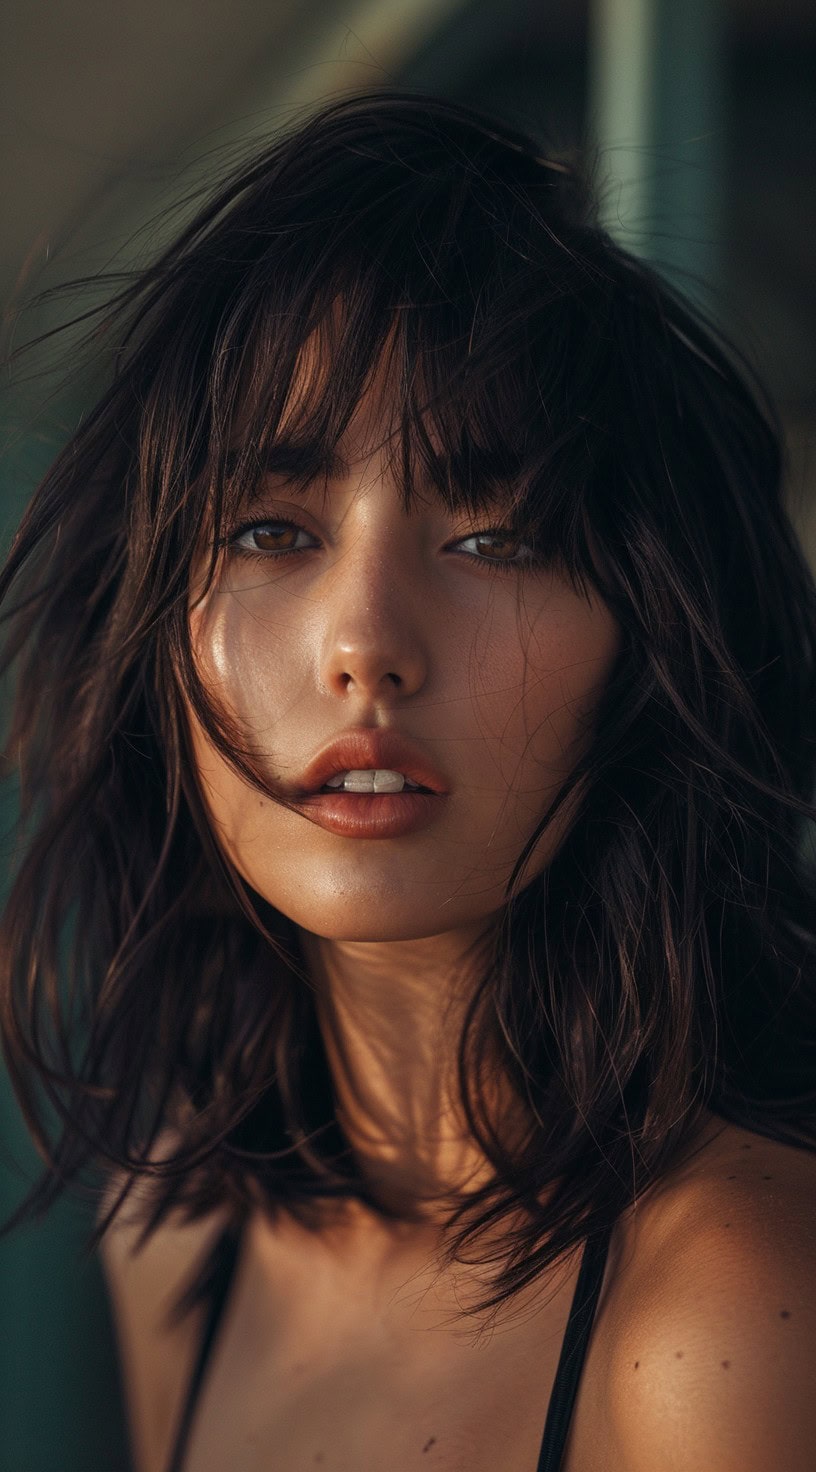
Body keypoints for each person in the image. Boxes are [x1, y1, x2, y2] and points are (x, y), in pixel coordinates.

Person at [1, 88, 815, 1472]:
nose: (366, 644)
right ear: (150, 626)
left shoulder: (721, 1323)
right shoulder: (176, 1237)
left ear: (651, 643)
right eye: (269, 528)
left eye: (499, 540)